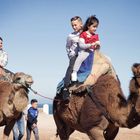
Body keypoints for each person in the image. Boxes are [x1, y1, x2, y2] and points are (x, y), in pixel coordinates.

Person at [71, 15, 100, 82]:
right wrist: (90, 45)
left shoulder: (95, 36)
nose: (95, 29)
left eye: (96, 27)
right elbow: (81, 45)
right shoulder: (83, 34)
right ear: (88, 26)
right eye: (94, 26)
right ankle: (74, 72)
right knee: (80, 57)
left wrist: (97, 45)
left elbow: (98, 44)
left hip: (92, 52)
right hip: (84, 51)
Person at [62, 16, 83, 102]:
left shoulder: (85, 33)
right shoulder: (71, 36)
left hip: (83, 54)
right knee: (71, 67)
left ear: (81, 24)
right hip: (74, 55)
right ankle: (66, 88)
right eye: (72, 25)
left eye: (75, 25)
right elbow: (67, 46)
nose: (74, 27)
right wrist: (70, 55)